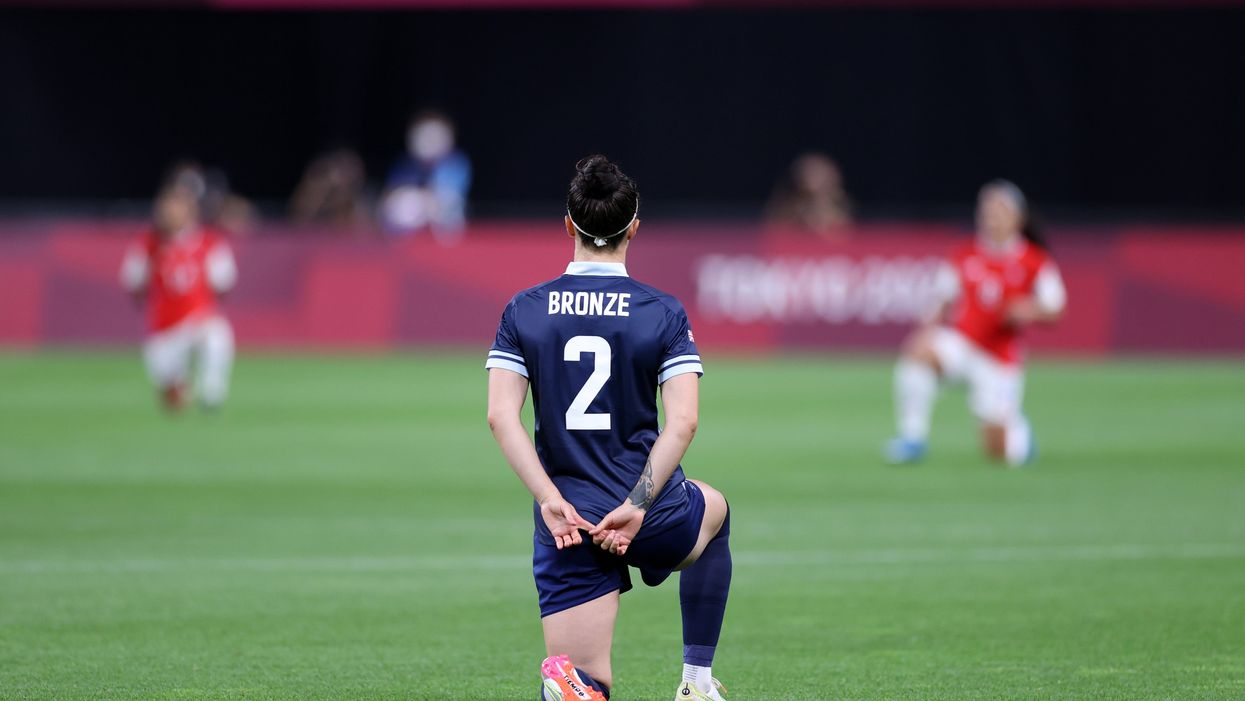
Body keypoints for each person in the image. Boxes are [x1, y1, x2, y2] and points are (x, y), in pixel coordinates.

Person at [485, 156, 732, 701]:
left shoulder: (523, 310)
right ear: (634, 228)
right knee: (716, 510)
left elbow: (502, 416)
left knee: (586, 680)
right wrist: (640, 504)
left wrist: (549, 500)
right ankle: (696, 682)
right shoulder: (662, 312)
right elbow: (684, 421)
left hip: (567, 523)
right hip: (647, 515)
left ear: (569, 226)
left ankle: (577, 689)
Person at [887, 179, 1066, 467]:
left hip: (999, 359)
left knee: (1000, 453)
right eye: (987, 210)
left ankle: (1016, 428)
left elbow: (1056, 308)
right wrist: (927, 328)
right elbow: (943, 300)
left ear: (1017, 217)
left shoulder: (1034, 261)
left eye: (999, 210)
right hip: (963, 344)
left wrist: (1029, 310)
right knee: (918, 352)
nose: (991, 217)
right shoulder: (964, 254)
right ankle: (912, 438)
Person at [119, 183, 237, 412]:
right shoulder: (148, 244)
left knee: (217, 334)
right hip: (164, 328)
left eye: (176, 208)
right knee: (174, 401)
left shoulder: (209, 243)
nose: (169, 214)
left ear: (190, 212)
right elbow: (133, 283)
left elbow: (224, 283)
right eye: (166, 209)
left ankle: (212, 390)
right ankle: (182, 382)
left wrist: (203, 306)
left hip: (197, 319)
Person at [380, 111, 471, 240]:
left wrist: (427, 201)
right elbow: (392, 193)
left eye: (435, 137)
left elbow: (448, 195)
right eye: (423, 136)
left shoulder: (455, 163)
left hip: (442, 214)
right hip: (412, 221)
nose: (429, 143)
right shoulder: (406, 164)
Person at [765, 152, 853, 239]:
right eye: (807, 171)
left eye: (817, 172)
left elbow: (842, 236)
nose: (810, 176)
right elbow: (775, 233)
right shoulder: (785, 207)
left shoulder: (839, 206)